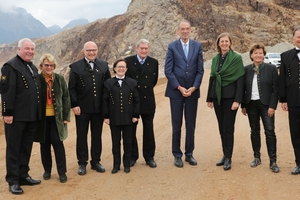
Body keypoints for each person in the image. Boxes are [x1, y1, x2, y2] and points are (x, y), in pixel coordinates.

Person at [0, 38, 41, 195]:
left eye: (32, 49)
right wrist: (7, 113)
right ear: (19, 49)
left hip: (31, 116)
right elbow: (6, 91)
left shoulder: (32, 67)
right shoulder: (10, 66)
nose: (30, 51)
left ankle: (23, 175)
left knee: (26, 148)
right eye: (27, 49)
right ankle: (13, 180)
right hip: (16, 117)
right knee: (14, 149)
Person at [165, 20, 204, 168]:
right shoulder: (172, 47)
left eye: (187, 29)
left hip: (192, 93)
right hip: (176, 92)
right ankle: (177, 154)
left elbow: (200, 70)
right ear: (178, 31)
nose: (185, 31)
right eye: (182, 29)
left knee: (190, 124)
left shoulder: (197, 46)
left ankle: (189, 154)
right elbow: (168, 70)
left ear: (191, 30)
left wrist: (194, 87)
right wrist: (179, 87)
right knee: (177, 125)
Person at [69, 41, 111, 175]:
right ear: (84, 51)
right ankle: (82, 163)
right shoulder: (75, 67)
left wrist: (107, 107)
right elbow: (72, 88)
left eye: (94, 50)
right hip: (82, 108)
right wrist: (74, 104)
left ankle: (96, 161)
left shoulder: (104, 66)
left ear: (97, 50)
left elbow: (108, 87)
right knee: (81, 135)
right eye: (89, 50)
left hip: (98, 109)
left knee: (96, 135)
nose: (91, 52)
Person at [206, 32, 245, 171]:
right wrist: (209, 98)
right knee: (222, 127)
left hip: (230, 99)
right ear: (218, 43)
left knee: (228, 128)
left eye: (226, 41)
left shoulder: (236, 58)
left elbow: (240, 80)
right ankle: (225, 154)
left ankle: (229, 157)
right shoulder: (216, 59)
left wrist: (237, 100)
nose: (224, 44)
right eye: (221, 41)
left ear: (230, 43)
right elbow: (213, 78)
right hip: (217, 98)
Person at [241, 43, 279, 173]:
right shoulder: (246, 69)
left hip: (266, 106)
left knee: (270, 131)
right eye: (255, 53)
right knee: (254, 131)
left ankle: (273, 161)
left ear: (264, 55)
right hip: (251, 104)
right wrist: (243, 105)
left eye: (260, 53)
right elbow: (243, 89)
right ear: (251, 55)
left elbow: (275, 89)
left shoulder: (271, 69)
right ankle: (256, 157)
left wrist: (272, 106)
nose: (258, 55)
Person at [34, 53, 71, 183]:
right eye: (46, 65)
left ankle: (62, 172)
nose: (49, 67)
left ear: (54, 66)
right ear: (41, 66)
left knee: (58, 144)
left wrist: (66, 116)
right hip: (41, 120)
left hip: (57, 119)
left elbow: (66, 98)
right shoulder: (36, 79)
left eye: (51, 65)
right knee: (44, 145)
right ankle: (47, 170)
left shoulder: (60, 79)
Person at [125, 39, 159, 168]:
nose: (144, 51)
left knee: (149, 129)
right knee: (131, 130)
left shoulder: (154, 62)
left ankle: (149, 156)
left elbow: (153, 81)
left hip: (148, 100)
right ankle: (133, 156)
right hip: (132, 101)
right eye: (142, 48)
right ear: (136, 48)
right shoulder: (128, 61)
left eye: (146, 48)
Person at [103, 59, 140, 174]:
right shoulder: (108, 83)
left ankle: (127, 164)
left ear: (126, 69)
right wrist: (106, 116)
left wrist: (135, 115)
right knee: (115, 142)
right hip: (114, 118)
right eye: (119, 67)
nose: (121, 69)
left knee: (128, 142)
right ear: (114, 68)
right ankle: (116, 165)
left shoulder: (132, 82)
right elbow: (105, 101)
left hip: (129, 118)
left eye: (123, 67)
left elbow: (136, 100)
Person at [279, 26, 300, 175]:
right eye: (298, 36)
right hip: (294, 101)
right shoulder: (285, 56)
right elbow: (282, 80)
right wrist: (283, 100)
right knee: (296, 132)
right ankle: (299, 162)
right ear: (293, 39)